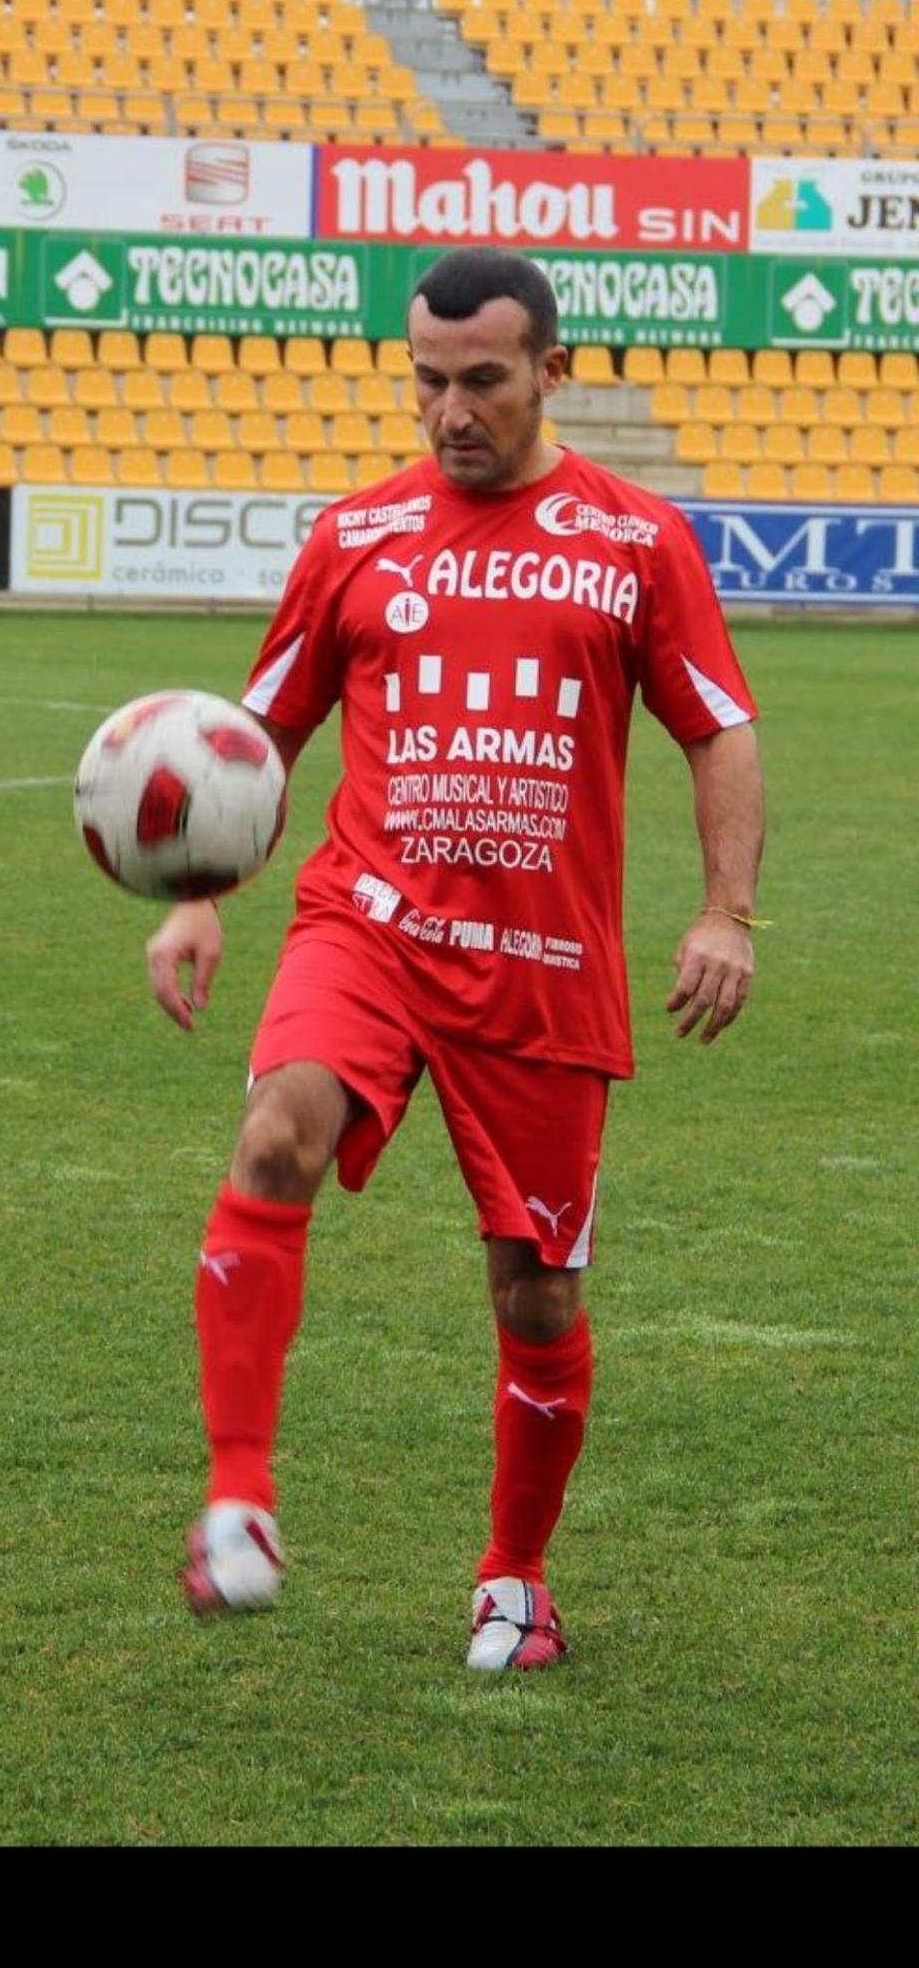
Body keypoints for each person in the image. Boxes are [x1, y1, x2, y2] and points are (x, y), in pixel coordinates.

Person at [145, 247, 766, 1671]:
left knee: (536, 1292)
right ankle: (236, 1500)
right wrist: (196, 892)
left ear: (555, 369)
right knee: (274, 1135)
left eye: (482, 378)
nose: (449, 409)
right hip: (365, 925)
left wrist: (726, 909)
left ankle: (515, 1577)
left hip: (544, 964)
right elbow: (256, 739)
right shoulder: (355, 537)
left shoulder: (635, 542)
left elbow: (718, 726)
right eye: (426, 379)